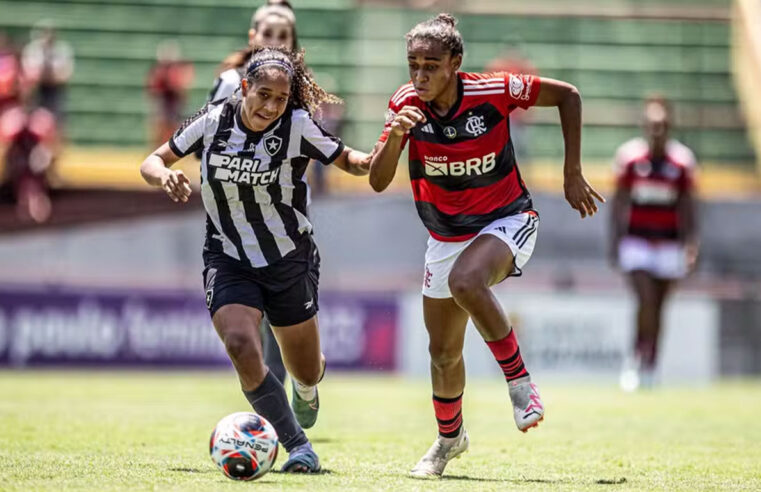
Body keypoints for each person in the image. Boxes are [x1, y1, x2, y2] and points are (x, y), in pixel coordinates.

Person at [368, 14, 604, 478]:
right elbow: (377, 181)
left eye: (432, 65)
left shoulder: (495, 90)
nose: (420, 75)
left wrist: (571, 171)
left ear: (456, 62)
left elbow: (568, 96)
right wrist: (396, 134)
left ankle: (520, 384)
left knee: (467, 281)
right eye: (413, 64)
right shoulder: (404, 104)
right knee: (443, 353)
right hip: (445, 235)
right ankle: (449, 440)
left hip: (507, 218)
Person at [139, 47, 371, 473]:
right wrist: (164, 175)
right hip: (227, 256)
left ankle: (307, 385)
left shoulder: (298, 126)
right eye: (262, 94)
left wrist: (371, 160)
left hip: (287, 259)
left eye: (280, 99)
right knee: (241, 344)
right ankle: (299, 446)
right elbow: (152, 160)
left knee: (306, 368)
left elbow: (347, 159)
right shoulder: (212, 120)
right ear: (244, 87)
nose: (270, 106)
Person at [202, 0, 297, 399]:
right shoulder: (228, 83)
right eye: (268, 33)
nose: (274, 41)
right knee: (248, 310)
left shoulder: (300, 88)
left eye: (283, 35)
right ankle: (270, 407)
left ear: (293, 42)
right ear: (253, 37)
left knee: (285, 311)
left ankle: (296, 385)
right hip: (233, 217)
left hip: (284, 215)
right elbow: (202, 144)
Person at [611, 96, 699, 391]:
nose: (656, 130)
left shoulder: (682, 161)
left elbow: (688, 206)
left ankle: (650, 363)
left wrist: (691, 244)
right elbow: (619, 203)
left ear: (669, 126)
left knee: (659, 308)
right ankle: (636, 358)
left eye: (661, 125)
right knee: (645, 299)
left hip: (669, 244)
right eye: (651, 125)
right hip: (637, 242)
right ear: (644, 126)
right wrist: (614, 241)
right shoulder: (630, 158)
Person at [21, 20, 74, 123]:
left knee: (56, 120)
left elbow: (65, 75)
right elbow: (29, 74)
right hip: (36, 90)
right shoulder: (32, 49)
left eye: (51, 32)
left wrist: (48, 76)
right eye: (45, 32)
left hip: (55, 91)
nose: (48, 36)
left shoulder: (63, 49)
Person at [146, 40, 194, 148]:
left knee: (175, 129)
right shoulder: (160, 71)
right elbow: (154, 89)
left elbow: (180, 87)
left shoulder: (175, 70)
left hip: (174, 105)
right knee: (161, 130)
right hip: (165, 104)